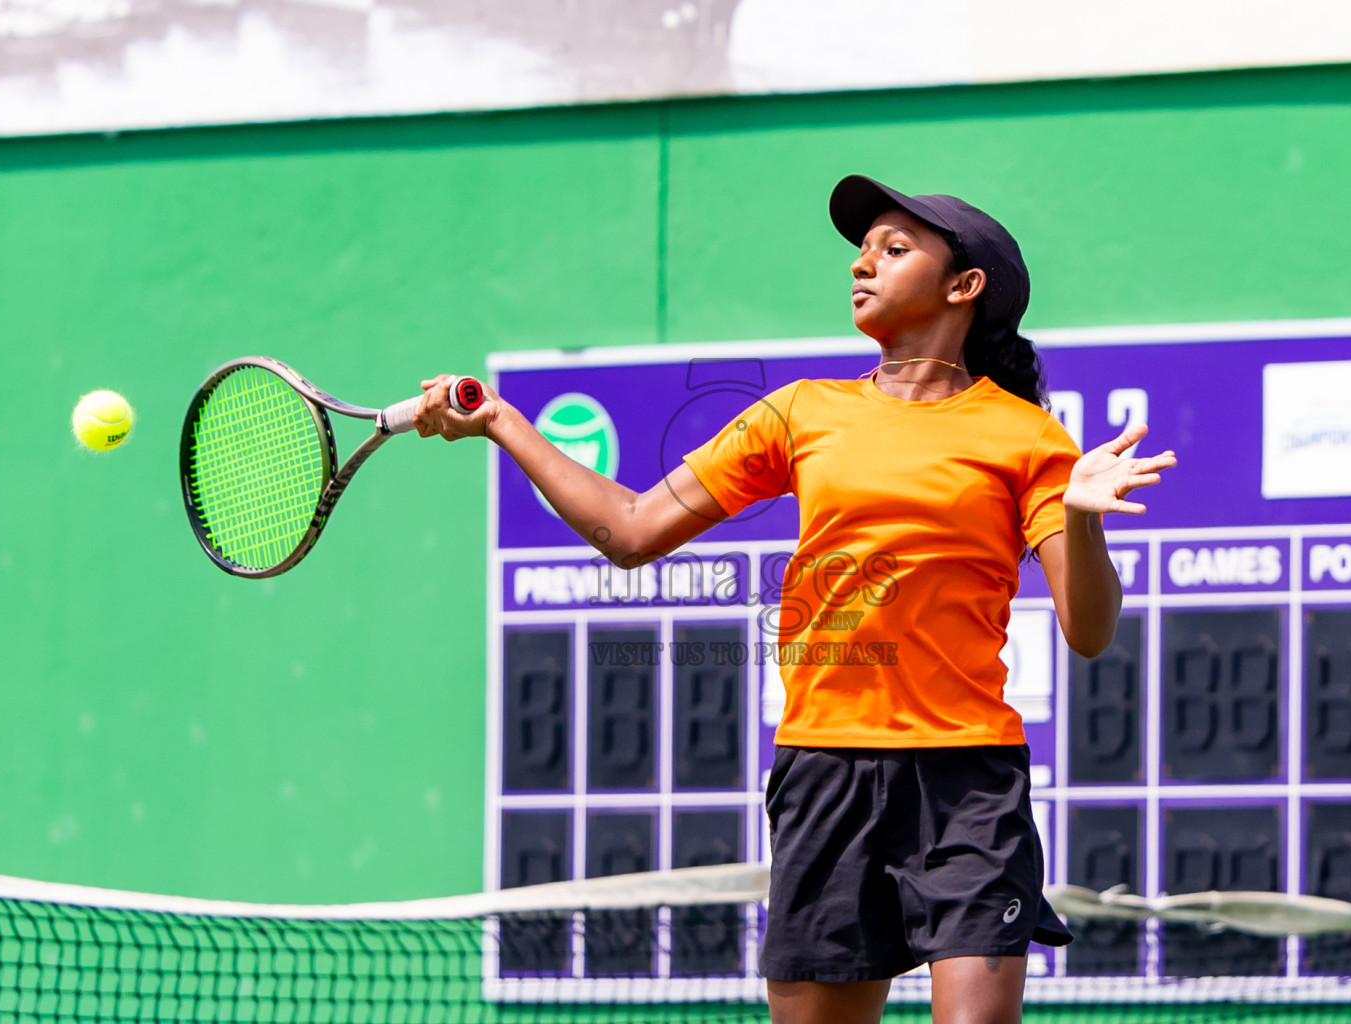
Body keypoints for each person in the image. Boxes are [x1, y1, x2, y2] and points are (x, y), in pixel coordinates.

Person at [413, 174, 1176, 1024]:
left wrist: (1080, 514)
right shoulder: (801, 414)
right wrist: (502, 422)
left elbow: (1089, 629)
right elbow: (629, 530)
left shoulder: (1029, 436)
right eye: (861, 250)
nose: (863, 264)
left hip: (968, 780)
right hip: (825, 773)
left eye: (894, 249)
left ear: (964, 288)